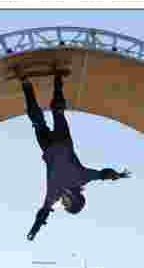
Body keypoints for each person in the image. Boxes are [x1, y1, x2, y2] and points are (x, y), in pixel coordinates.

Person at [22, 72, 131, 241]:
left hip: (48, 147)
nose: (62, 203)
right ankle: (55, 80)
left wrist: (34, 230)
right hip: (62, 141)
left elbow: (44, 212)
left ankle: (28, 84)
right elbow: (102, 174)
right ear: (73, 199)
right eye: (66, 204)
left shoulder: (55, 194)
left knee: (40, 121)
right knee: (56, 113)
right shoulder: (80, 179)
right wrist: (116, 175)